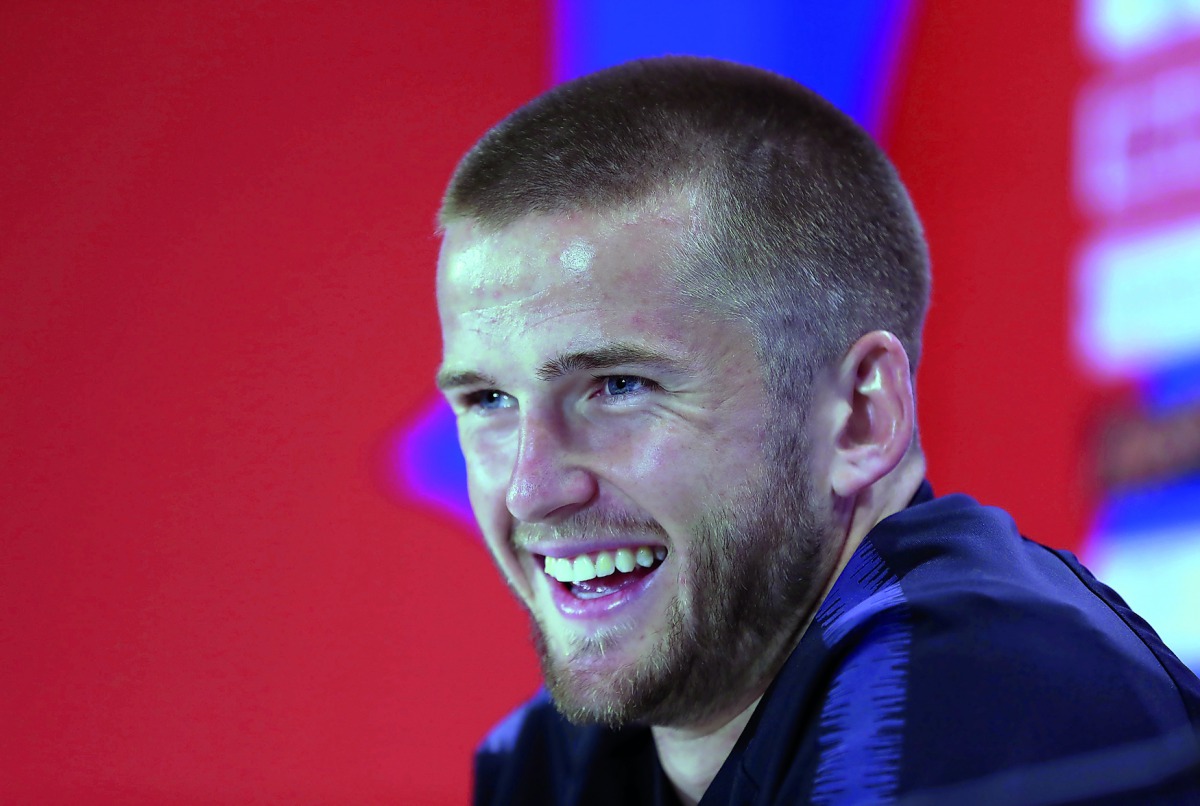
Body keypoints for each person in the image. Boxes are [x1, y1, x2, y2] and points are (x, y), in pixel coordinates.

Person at [433, 56, 1200, 805]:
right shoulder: (545, 759)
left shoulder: (989, 718)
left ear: (860, 417)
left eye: (620, 387)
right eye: (489, 400)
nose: (530, 490)